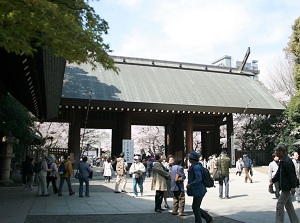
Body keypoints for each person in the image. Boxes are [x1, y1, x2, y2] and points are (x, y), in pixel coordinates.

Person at [270, 145, 299, 223]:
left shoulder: (287, 161)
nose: (276, 153)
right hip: (285, 187)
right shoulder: (283, 161)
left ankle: (279, 221)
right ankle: (295, 221)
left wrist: (293, 187)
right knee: (289, 206)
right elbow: (278, 173)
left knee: (280, 204)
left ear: (282, 152)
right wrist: (272, 180)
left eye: (277, 152)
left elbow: (292, 175)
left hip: (287, 187)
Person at [186, 151, 213, 223]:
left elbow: (198, 179)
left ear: (192, 159)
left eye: (189, 157)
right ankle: (208, 218)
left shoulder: (196, 167)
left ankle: (201, 220)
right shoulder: (196, 165)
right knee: (195, 207)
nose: (188, 159)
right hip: (199, 189)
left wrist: (190, 184)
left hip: (199, 189)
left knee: (195, 207)